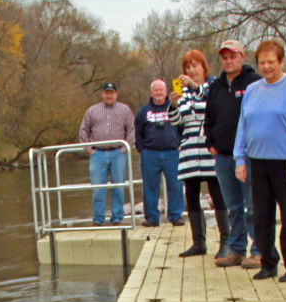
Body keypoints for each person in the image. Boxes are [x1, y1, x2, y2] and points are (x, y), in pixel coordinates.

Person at [232, 39, 286, 282]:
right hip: (258, 161)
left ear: (281, 62)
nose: (266, 67)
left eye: (271, 62)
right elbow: (242, 126)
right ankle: (268, 262)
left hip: (285, 162)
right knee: (261, 215)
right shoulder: (253, 91)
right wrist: (240, 159)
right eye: (262, 63)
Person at [205, 39, 262, 268]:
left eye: (233, 56)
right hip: (223, 156)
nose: (229, 61)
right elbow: (208, 119)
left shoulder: (254, 83)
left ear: (242, 57)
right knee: (234, 207)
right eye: (225, 57)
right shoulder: (216, 87)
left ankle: (259, 250)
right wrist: (210, 142)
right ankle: (236, 249)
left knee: (253, 205)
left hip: (248, 156)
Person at [173, 50, 229, 257]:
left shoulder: (214, 86)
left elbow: (215, 104)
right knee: (192, 195)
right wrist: (173, 105)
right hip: (189, 148)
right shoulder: (183, 92)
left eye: (195, 66)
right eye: (187, 67)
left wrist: (197, 87)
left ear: (204, 67)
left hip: (209, 146)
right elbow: (176, 121)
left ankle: (226, 242)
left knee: (217, 193)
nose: (191, 71)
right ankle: (199, 243)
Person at [78, 82, 136, 225]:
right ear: (102, 94)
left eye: (112, 92)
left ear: (116, 94)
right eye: (107, 92)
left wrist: (126, 147)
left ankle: (117, 218)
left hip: (118, 153)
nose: (109, 95)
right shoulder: (92, 110)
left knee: (119, 187)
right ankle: (98, 219)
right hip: (98, 154)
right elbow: (83, 130)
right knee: (98, 189)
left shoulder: (125, 110)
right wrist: (89, 150)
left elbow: (132, 129)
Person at [134, 79, 186, 227]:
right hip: (150, 153)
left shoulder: (174, 108)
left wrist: (180, 144)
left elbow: (182, 127)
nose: (158, 93)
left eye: (161, 90)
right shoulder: (144, 111)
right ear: (151, 92)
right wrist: (141, 150)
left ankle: (176, 216)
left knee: (175, 185)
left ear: (166, 92)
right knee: (150, 186)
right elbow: (138, 131)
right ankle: (151, 217)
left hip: (172, 153)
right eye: (156, 90)